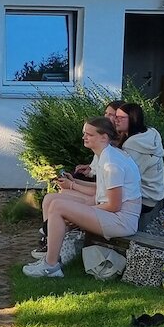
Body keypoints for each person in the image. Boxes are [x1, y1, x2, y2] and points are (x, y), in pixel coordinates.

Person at [24, 117, 141, 277]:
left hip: (121, 220)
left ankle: (51, 266)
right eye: (84, 133)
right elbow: (102, 189)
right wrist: (74, 184)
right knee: (52, 199)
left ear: (104, 137)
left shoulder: (111, 164)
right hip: (109, 210)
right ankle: (54, 252)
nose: (84, 137)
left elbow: (114, 206)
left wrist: (79, 213)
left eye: (89, 134)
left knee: (59, 207)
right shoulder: (106, 155)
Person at [115, 101, 164, 221]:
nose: (116, 120)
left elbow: (125, 178)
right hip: (154, 195)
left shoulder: (132, 144)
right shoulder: (151, 133)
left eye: (120, 118)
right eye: (115, 117)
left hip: (143, 200)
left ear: (133, 119)